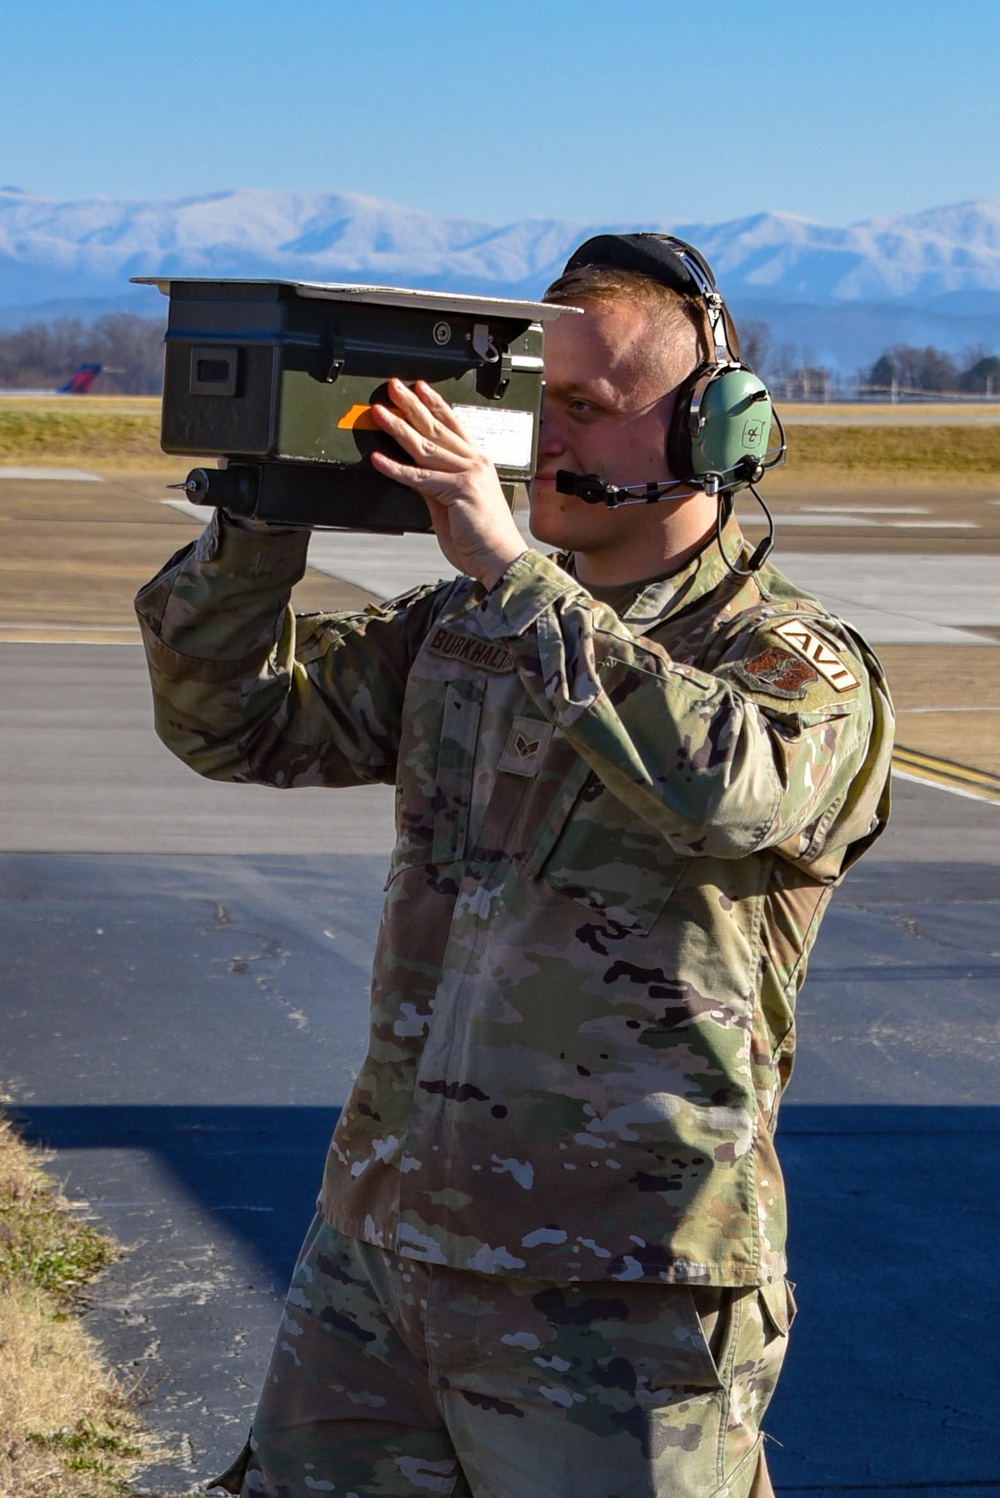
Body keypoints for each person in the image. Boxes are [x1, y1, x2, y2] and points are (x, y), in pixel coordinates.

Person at [135, 234, 893, 1498]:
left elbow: (731, 790)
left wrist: (511, 571)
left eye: (588, 409)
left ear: (712, 434)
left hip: (621, 1288)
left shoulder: (792, 662)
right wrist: (266, 513)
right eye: (536, 401)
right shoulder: (467, 628)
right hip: (384, 1248)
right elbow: (234, 719)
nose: (544, 440)